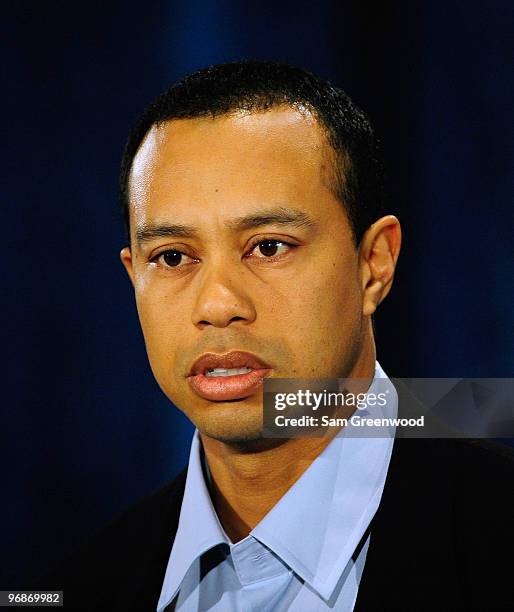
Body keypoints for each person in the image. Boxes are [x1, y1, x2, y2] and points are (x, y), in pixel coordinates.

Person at [37, 61, 513, 611]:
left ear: (374, 265)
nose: (218, 305)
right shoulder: (72, 586)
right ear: (133, 278)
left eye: (268, 247)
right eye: (172, 257)